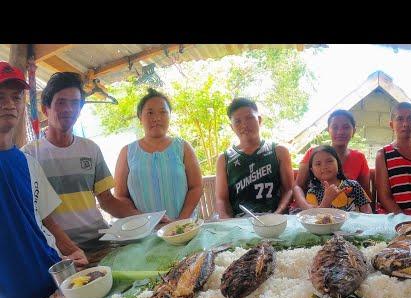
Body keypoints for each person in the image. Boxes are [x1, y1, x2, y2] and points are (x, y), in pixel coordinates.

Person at [0, 63, 80, 298]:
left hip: (53, 286)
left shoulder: (28, 163)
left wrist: (73, 252)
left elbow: (47, 221)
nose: (9, 104)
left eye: (16, 97)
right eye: (0, 97)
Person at [23, 72, 139, 251]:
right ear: (46, 109)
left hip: (101, 242)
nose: (69, 109)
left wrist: (145, 219)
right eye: (61, 102)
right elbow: (32, 214)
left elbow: (107, 200)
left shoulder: (91, 149)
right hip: (60, 252)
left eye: (75, 103)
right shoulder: (29, 156)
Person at [114, 89, 203, 221]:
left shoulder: (183, 147)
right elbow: (121, 196)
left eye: (163, 112)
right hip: (145, 232)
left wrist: (179, 222)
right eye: (150, 113)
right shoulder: (127, 152)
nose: (156, 118)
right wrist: (147, 221)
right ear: (140, 118)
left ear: (169, 116)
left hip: (184, 229)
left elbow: (196, 187)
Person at [215, 98, 294, 218]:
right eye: (238, 121)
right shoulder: (224, 159)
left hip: (275, 220)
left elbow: (288, 190)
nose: (244, 125)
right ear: (232, 127)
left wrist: (278, 214)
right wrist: (228, 222)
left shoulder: (279, 151)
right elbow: (221, 199)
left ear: (259, 119)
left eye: (249, 118)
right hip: (240, 224)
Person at [292, 110, 370, 210]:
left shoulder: (359, 157)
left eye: (346, 127)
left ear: (353, 131)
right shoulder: (313, 153)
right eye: (335, 127)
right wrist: (307, 207)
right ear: (328, 130)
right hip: (312, 211)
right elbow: (297, 186)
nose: (340, 131)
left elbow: (365, 190)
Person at [305, 145, 371, 212]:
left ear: (338, 164)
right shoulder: (312, 193)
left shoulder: (353, 185)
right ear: (312, 170)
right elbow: (314, 219)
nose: (324, 166)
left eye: (329, 161)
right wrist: (327, 200)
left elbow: (367, 211)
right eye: (318, 164)